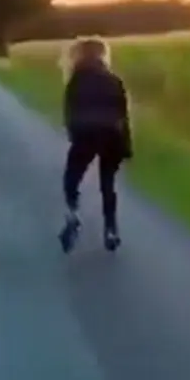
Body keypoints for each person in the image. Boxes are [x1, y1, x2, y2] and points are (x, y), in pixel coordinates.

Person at [58, 36, 133, 252]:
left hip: (85, 133)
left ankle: (73, 214)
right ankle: (111, 229)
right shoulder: (114, 79)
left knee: (71, 178)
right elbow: (123, 114)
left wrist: (75, 138)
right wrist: (126, 147)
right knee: (107, 184)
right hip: (112, 134)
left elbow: (69, 113)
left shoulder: (76, 80)